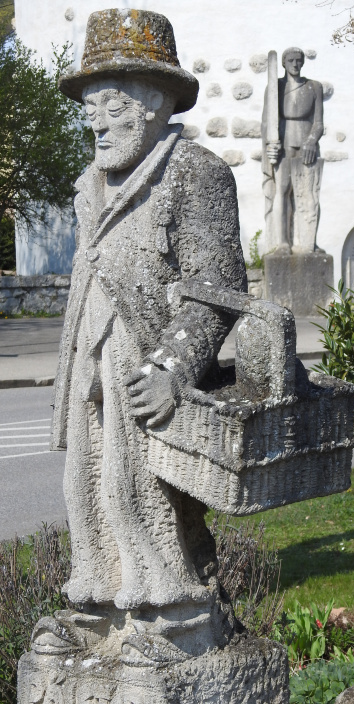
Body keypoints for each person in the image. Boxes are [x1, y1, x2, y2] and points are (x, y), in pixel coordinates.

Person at [36, 8, 246, 662]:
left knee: (142, 488)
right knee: (85, 484)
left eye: (113, 106)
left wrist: (171, 370)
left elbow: (218, 287)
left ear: (155, 104)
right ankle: (97, 607)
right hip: (92, 354)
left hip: (148, 359)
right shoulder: (89, 184)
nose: (95, 122)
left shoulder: (195, 172)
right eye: (90, 108)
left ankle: (172, 614)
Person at [262, 47, 324, 253]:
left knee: (310, 193)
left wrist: (311, 141)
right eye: (291, 60)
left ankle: (308, 241)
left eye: (298, 60)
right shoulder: (275, 88)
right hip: (285, 142)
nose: (295, 64)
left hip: (307, 144)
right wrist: (270, 144)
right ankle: (283, 241)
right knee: (283, 190)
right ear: (284, 63)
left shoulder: (314, 87)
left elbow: (318, 123)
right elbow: (267, 121)